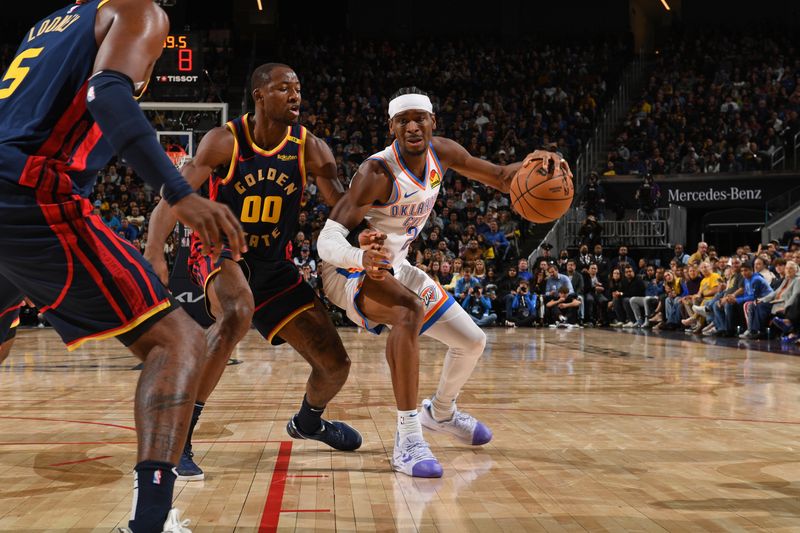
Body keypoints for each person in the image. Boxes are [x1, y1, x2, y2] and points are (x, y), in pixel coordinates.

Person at [0, 1, 247, 532]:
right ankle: (149, 525)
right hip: (31, 192)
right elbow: (107, 91)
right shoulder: (136, 10)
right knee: (178, 341)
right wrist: (178, 190)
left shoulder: (49, 22)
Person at [317, 86, 570, 477]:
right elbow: (327, 239)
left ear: (433, 122)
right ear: (392, 127)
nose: (413, 126)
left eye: (421, 118)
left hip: (393, 265)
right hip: (348, 270)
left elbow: (504, 178)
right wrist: (359, 257)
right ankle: (408, 438)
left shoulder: (444, 152)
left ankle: (441, 412)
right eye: (404, 120)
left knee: (472, 341)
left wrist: (541, 164)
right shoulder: (376, 173)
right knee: (408, 312)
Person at [145, 63, 363, 482]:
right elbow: (175, 194)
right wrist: (154, 249)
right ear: (260, 95)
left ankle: (309, 423)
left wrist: (372, 225)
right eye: (285, 88)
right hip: (218, 250)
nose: (296, 95)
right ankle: (177, 440)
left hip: (273, 263)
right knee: (237, 312)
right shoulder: (224, 141)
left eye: (298, 88)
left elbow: (341, 205)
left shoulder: (310, 148)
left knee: (335, 365)